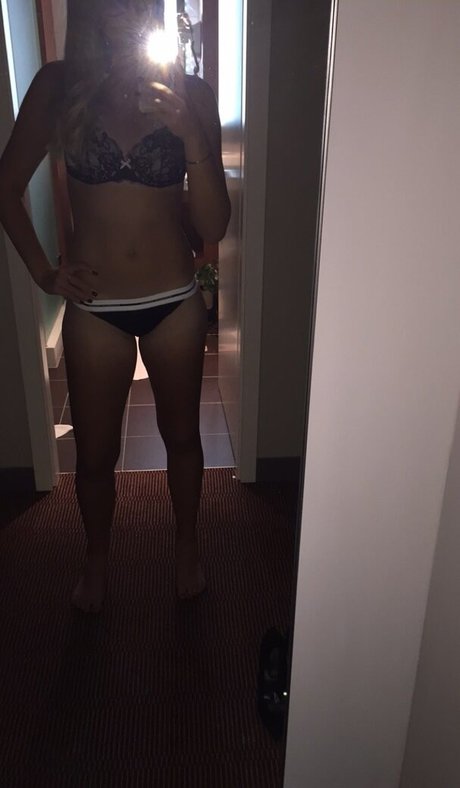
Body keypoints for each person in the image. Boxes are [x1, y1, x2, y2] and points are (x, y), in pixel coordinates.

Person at [0, 0, 231, 612]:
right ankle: (97, 556)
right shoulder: (58, 86)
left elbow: (214, 225)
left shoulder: (192, 93)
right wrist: (45, 272)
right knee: (96, 455)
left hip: (174, 301)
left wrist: (191, 135)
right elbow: (6, 185)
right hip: (95, 308)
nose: (124, 6)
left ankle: (186, 545)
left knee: (182, 437)